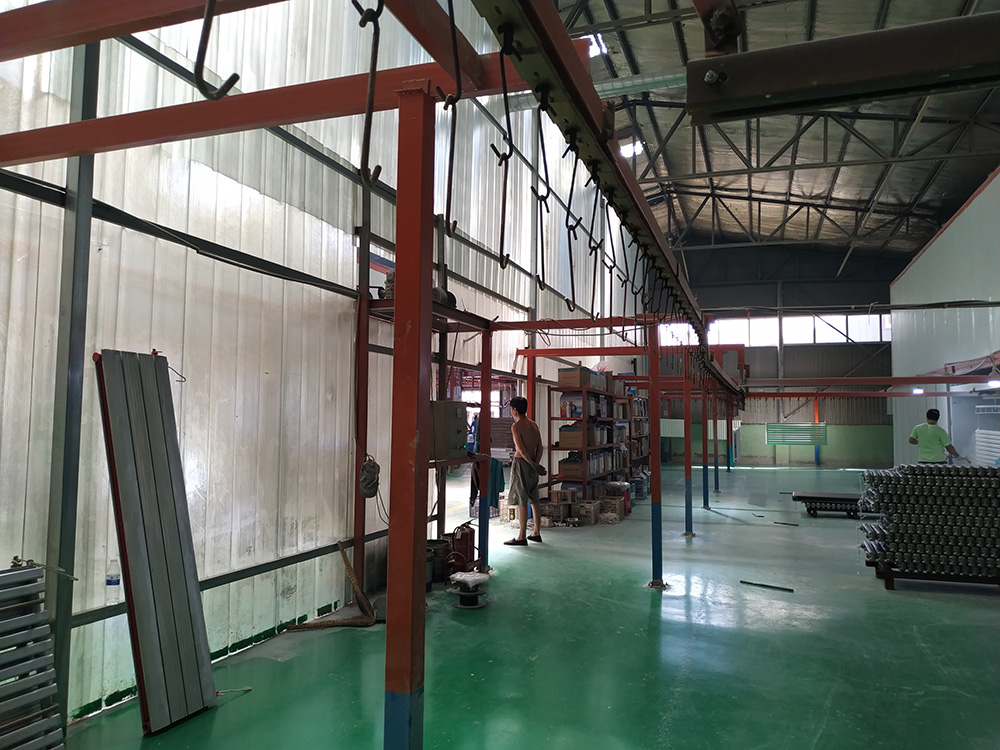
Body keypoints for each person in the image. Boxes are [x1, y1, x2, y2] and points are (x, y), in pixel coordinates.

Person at [504, 397, 544, 546]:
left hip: (522, 463)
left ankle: (521, 536)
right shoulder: (533, 425)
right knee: (534, 499)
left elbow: (520, 449)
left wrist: (531, 464)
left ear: (515, 410)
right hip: (533, 463)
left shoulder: (516, 426)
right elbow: (540, 447)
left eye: (511, 409)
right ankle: (536, 532)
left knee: (522, 500)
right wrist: (535, 464)